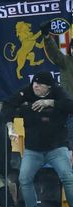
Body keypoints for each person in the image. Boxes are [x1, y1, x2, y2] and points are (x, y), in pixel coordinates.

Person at [2, 71, 73, 207]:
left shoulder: (58, 92)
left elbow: (70, 105)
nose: (35, 86)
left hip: (57, 148)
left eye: (39, 85)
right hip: (33, 150)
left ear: (49, 87)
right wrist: (10, 124)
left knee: (67, 177)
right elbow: (7, 105)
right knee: (24, 179)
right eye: (34, 83)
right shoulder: (27, 91)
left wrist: (51, 102)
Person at [42, 21, 73, 155]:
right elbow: (53, 52)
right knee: (69, 141)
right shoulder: (65, 61)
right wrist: (47, 37)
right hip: (70, 110)